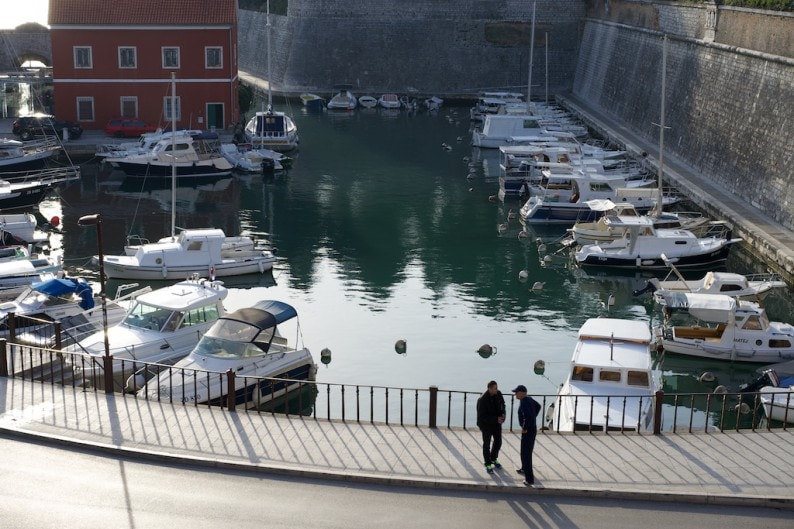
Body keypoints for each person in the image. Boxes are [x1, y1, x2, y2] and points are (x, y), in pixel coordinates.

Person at [513, 384, 541, 486]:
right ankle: (524, 468)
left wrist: (524, 428)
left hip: (528, 431)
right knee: (524, 451)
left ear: (521, 393)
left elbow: (528, 416)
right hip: (532, 429)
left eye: (516, 392)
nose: (515, 394)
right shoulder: (529, 399)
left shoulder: (524, 402)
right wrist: (534, 417)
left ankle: (529, 480)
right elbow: (538, 406)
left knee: (526, 454)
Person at [476, 380, 506, 474]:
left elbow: (503, 405)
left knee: (498, 442)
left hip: (497, 424)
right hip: (486, 425)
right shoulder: (482, 400)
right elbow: (482, 417)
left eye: (497, 388)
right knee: (486, 445)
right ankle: (488, 464)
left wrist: (503, 415)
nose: (497, 390)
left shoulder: (499, 394)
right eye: (495, 388)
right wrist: (495, 419)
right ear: (489, 389)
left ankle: (493, 458)